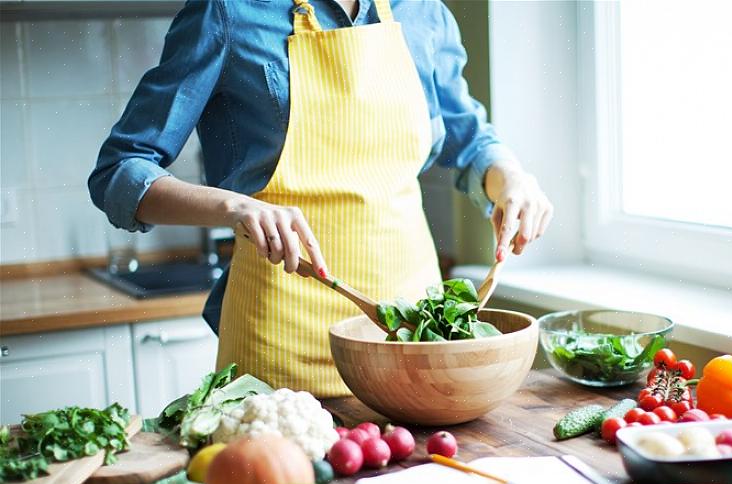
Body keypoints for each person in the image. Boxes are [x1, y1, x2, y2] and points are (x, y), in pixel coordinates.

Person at [89, 0, 553, 397]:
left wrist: (510, 177)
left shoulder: (421, 9)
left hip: (413, 334)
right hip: (281, 339)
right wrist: (234, 207)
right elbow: (120, 170)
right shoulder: (228, 10)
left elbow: (468, 139)